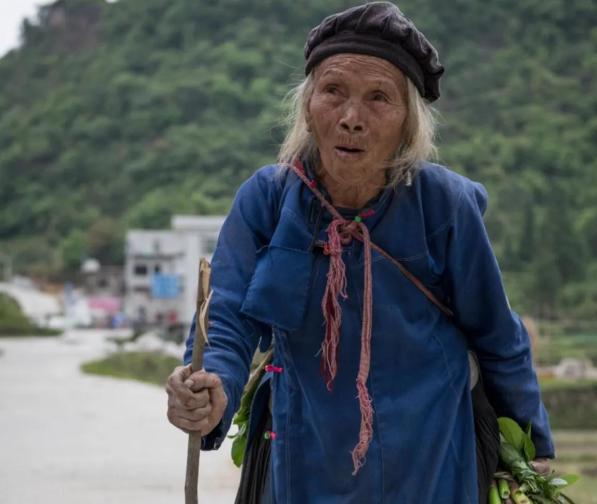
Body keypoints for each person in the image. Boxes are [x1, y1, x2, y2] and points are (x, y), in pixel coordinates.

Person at [166, 3, 555, 502]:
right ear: (308, 105)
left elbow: (496, 332)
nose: (352, 118)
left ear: (407, 124)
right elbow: (228, 321)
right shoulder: (267, 199)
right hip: (302, 450)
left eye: (379, 99)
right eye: (333, 92)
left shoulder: (443, 206)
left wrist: (533, 445)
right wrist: (211, 386)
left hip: (430, 453)